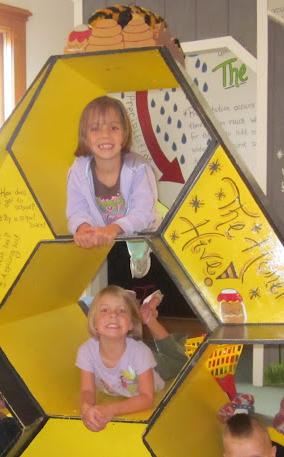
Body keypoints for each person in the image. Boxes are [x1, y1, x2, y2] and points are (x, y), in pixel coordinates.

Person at [66, 95, 162, 277]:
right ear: (85, 135)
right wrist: (82, 228)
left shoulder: (137, 168)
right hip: (111, 245)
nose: (105, 135)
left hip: (146, 238)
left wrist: (113, 228)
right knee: (116, 291)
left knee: (148, 288)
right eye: (95, 129)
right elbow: (76, 210)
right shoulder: (78, 170)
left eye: (113, 128)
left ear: (125, 133)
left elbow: (143, 214)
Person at [76, 285, 186, 432]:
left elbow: (146, 398)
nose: (113, 315)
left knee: (182, 363)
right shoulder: (86, 351)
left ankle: (150, 319)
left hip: (158, 371)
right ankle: (143, 312)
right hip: (130, 367)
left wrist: (110, 410)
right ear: (94, 323)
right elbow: (87, 391)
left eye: (121, 311)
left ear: (130, 324)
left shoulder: (141, 353)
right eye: (104, 310)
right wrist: (86, 410)